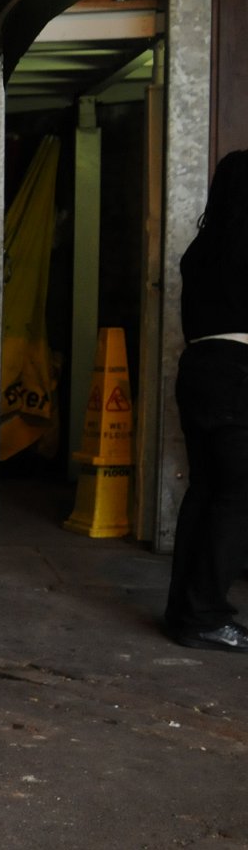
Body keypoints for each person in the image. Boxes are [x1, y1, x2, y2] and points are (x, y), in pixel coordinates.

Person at [164, 149, 248, 654]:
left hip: (199, 370)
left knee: (204, 494)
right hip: (240, 373)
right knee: (236, 502)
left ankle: (184, 612)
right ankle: (206, 615)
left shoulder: (202, 249)